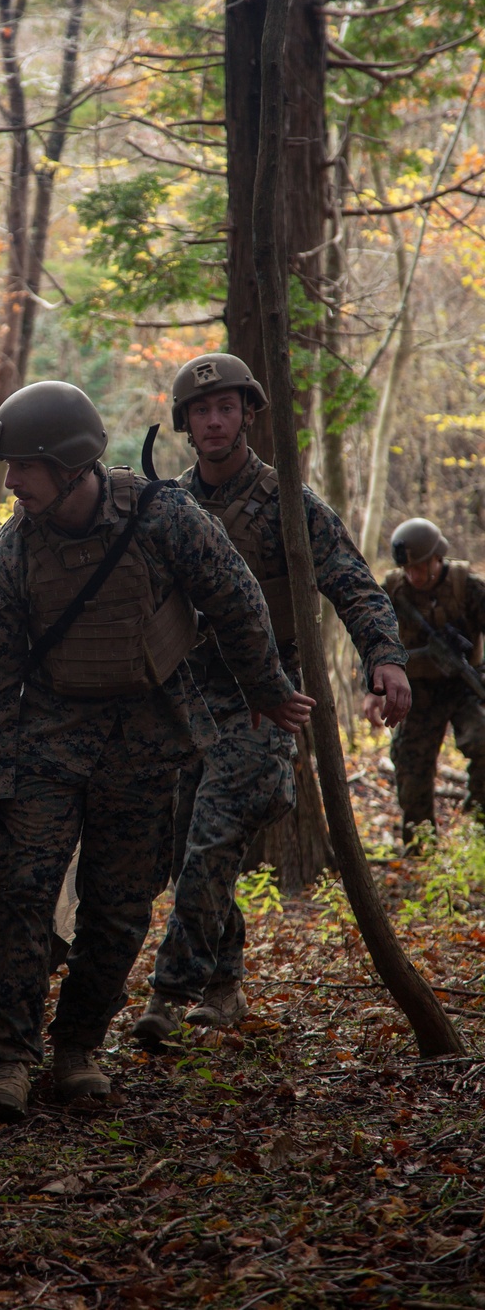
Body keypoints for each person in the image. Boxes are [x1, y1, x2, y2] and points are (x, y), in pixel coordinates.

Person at [0, 379, 313, 1123]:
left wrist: (268, 688)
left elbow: (235, 596)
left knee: (117, 909)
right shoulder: (9, 555)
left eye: (23, 466)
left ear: (69, 463)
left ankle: (78, 1047)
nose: (11, 481)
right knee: (23, 893)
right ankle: (8, 1058)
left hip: (149, 742)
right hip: (48, 742)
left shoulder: (162, 518)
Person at [135, 355, 410, 1046]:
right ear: (186, 425)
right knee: (186, 851)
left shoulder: (289, 502)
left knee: (211, 842)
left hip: (264, 702)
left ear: (249, 413)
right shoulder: (167, 506)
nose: (215, 420)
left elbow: (355, 585)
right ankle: (224, 984)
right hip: (186, 703)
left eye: (227, 407)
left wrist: (385, 659)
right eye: (202, 412)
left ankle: (167, 997)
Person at [379, 518, 485, 840]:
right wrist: (372, 687)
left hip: (464, 686)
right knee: (411, 770)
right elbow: (373, 637)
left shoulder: (465, 585)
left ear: (437, 559)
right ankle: (419, 845)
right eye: (408, 569)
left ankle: (480, 819)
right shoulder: (393, 591)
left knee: (483, 740)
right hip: (416, 691)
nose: (413, 576)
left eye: (420, 568)